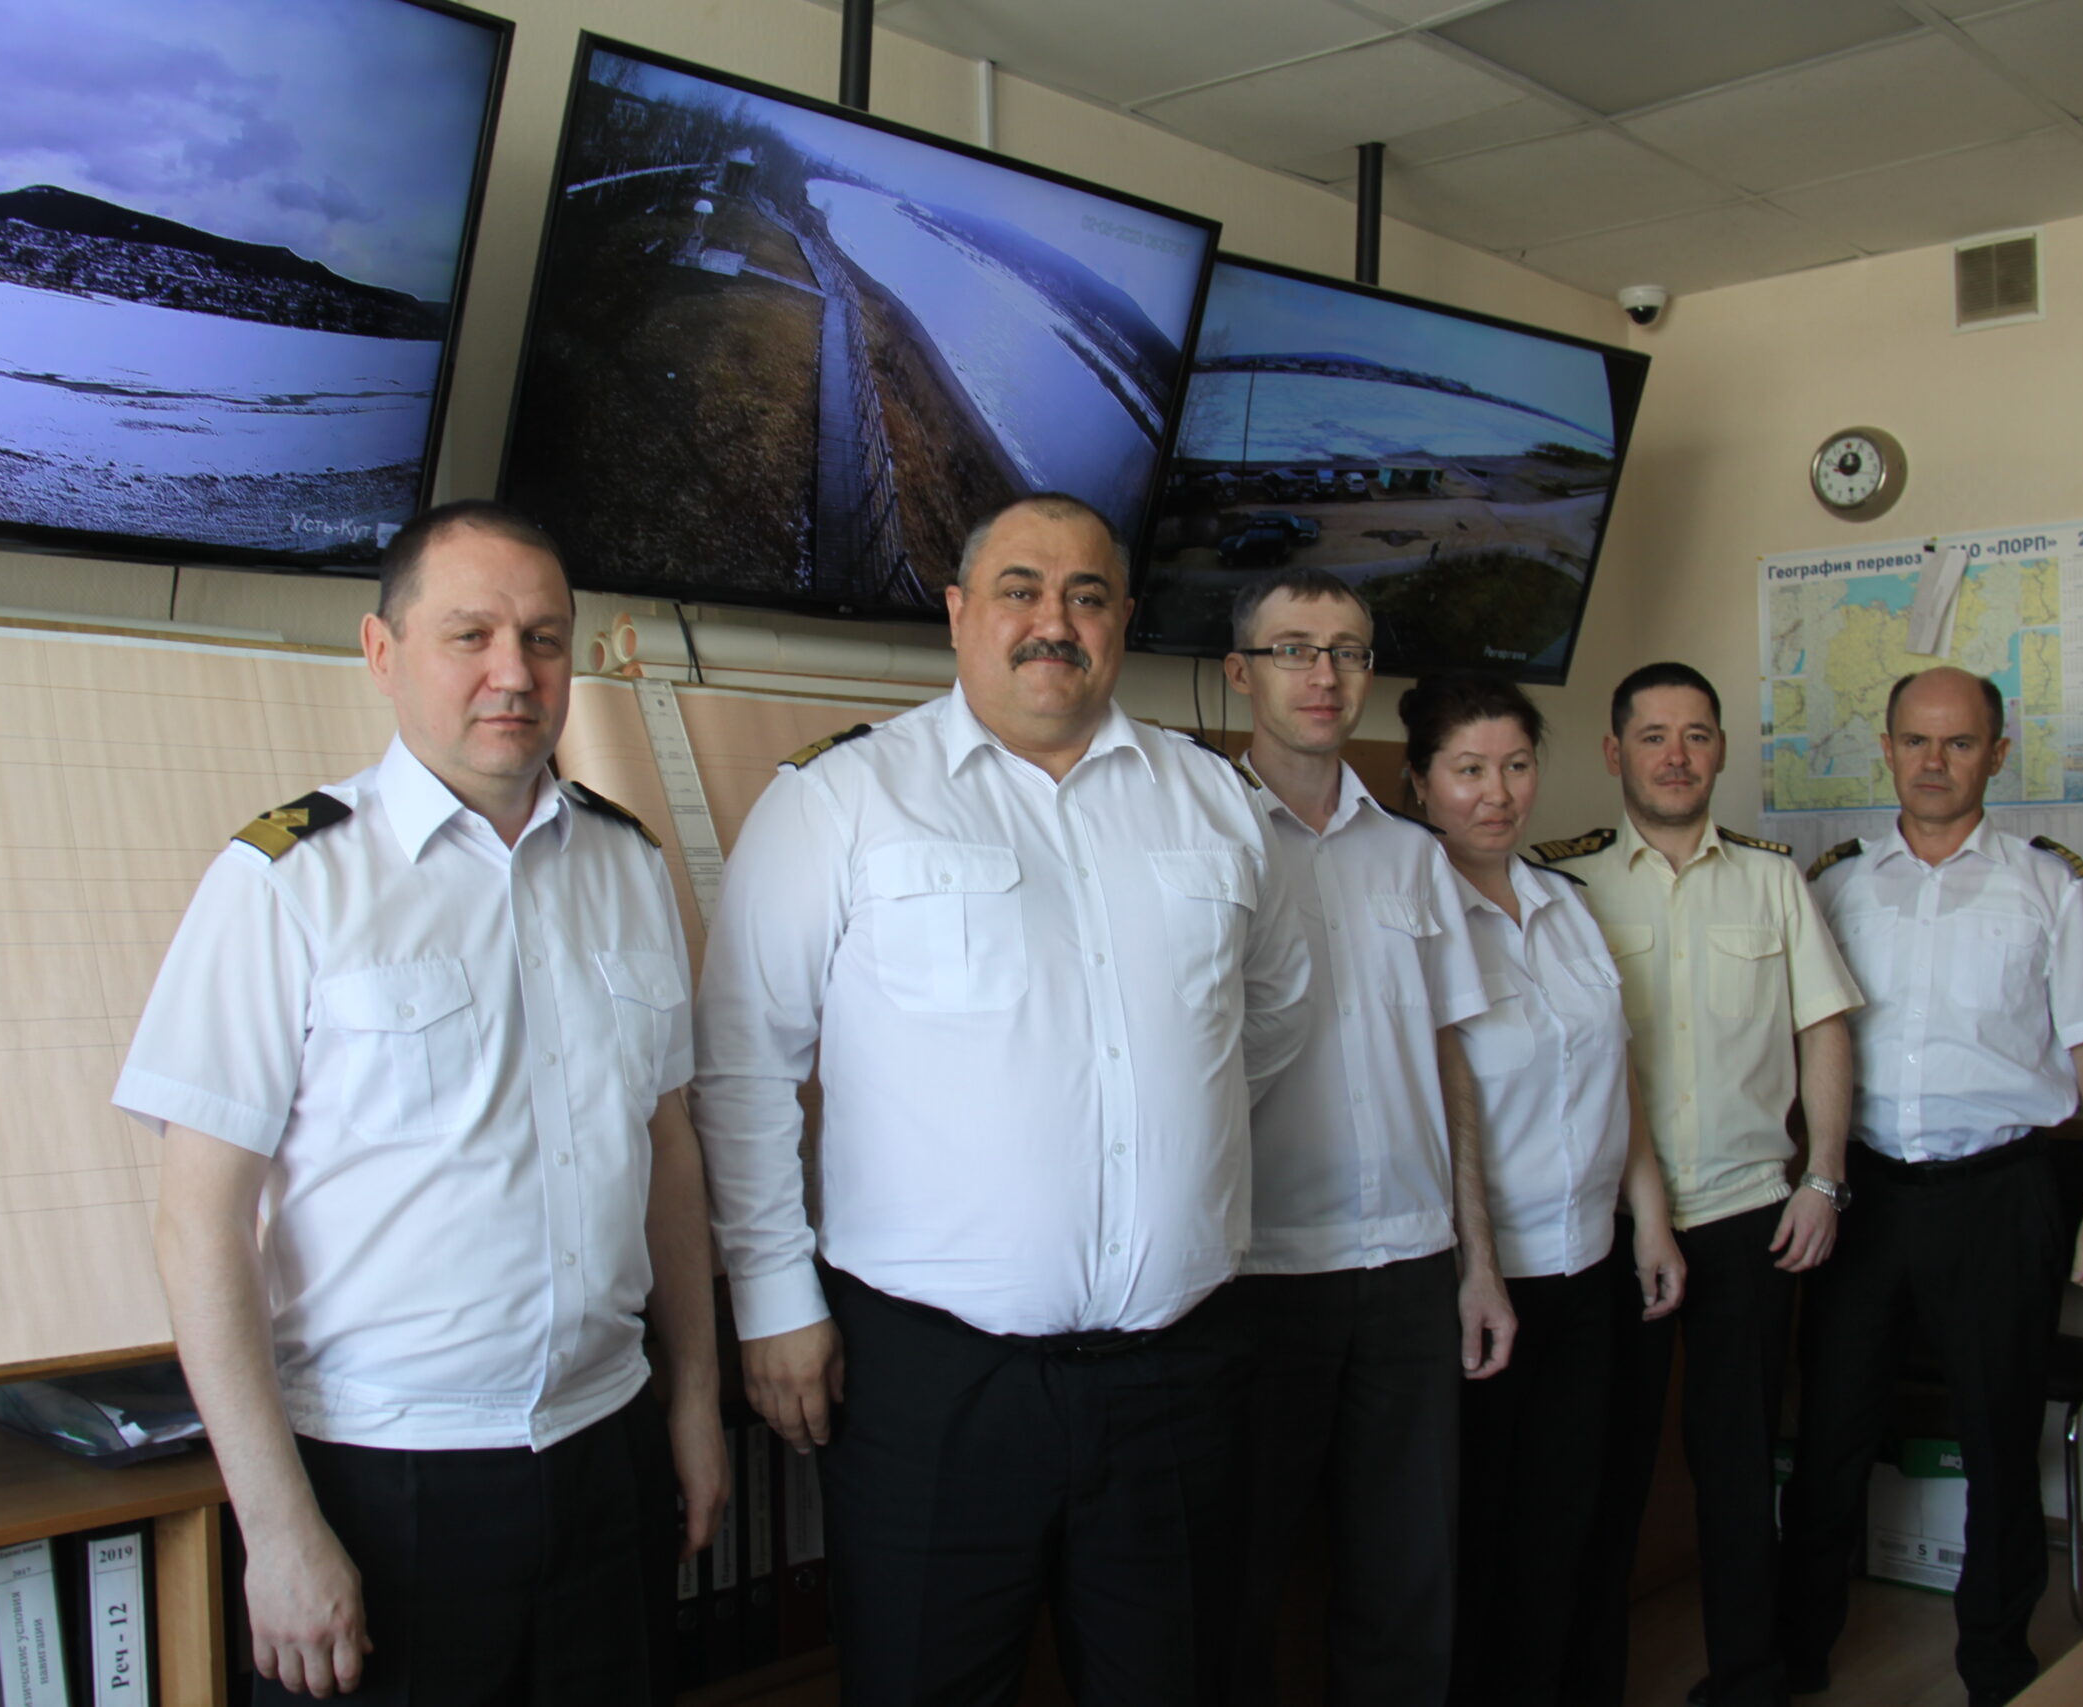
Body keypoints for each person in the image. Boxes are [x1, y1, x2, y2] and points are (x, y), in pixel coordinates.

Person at [692, 492, 1312, 1706]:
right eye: (1020, 591)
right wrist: (770, 1299)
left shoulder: (1216, 802)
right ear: (959, 612)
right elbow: (743, 1062)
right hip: (932, 1383)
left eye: (1086, 596)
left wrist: (1165, 1146)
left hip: (1177, 1374)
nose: (1053, 622)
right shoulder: (844, 798)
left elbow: (1269, 1019)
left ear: (1122, 620)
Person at [116, 500, 725, 1706]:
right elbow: (198, 1223)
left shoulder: (628, 864)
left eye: (543, 638)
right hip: (383, 1478)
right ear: (382, 652)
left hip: (606, 1452)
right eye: (471, 636)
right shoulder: (288, 882)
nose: (515, 673)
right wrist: (277, 1528)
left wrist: (695, 1404)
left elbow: (667, 1153)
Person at [1779, 666, 2083, 1707]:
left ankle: (1996, 1662)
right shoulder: (1836, 883)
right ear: (1886, 749)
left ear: (1997, 753)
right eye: (1915, 741)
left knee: (1998, 1434)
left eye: (1960, 742)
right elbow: (1802, 1039)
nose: (1934, 762)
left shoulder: (2047, 884)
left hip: (2000, 1193)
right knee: (1832, 1427)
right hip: (1864, 1192)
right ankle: (1795, 1653)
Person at [1540, 661, 1861, 1707]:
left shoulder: (1773, 881)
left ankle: (1749, 1680)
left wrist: (1823, 1176)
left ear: (1720, 749)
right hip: (1607, 1226)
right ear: (1614, 753)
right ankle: (1589, 1683)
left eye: (1695, 735)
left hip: (1747, 1216)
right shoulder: (1566, 885)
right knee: (1605, 1471)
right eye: (1652, 736)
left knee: (1736, 1468)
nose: (1675, 757)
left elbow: (1823, 1029)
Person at [1218, 574, 1509, 1706]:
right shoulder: (1203, 840)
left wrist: (1477, 1258)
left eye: (1345, 651)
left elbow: (1448, 1061)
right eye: (1293, 649)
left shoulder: (1412, 856)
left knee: (1406, 1581)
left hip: (1407, 1270)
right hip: (1253, 1275)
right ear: (1240, 672)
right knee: (1236, 1586)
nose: (1323, 674)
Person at [1400, 672, 1687, 1707]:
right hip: (1483, 1285)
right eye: (1468, 769)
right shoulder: (1417, 921)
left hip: (1589, 1263)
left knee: (1570, 1525)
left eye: (1516, 765)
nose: (1497, 793)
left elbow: (1618, 1071)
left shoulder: (1566, 904)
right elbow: (1440, 1109)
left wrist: (1649, 1217)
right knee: (1481, 1539)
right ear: (1420, 783)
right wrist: (1478, 1266)